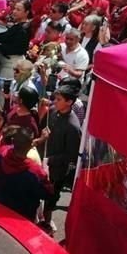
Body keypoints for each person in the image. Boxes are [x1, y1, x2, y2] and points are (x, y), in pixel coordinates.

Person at [41, 85, 81, 232]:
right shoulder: (52, 111)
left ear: (69, 102)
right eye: (55, 99)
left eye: (59, 99)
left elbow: (71, 156)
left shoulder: (73, 127)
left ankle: (47, 224)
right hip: (43, 161)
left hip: (56, 170)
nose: (55, 102)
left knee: (50, 198)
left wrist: (50, 160)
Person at [0, 127, 52, 221]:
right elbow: (47, 194)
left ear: (12, 141)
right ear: (31, 146)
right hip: (23, 217)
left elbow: (9, 148)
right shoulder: (36, 172)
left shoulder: (2, 154)